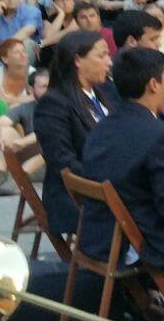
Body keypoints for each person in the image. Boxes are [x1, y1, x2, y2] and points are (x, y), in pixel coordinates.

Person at [77, 47, 164, 272]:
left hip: (98, 235)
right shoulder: (162, 135)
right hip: (139, 242)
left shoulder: (102, 126)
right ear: (153, 84)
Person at [33, 30, 116, 236]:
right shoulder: (53, 103)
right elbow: (62, 161)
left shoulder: (104, 93)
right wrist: (112, 179)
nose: (109, 62)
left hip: (105, 186)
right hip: (75, 197)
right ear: (78, 60)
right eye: (101, 55)